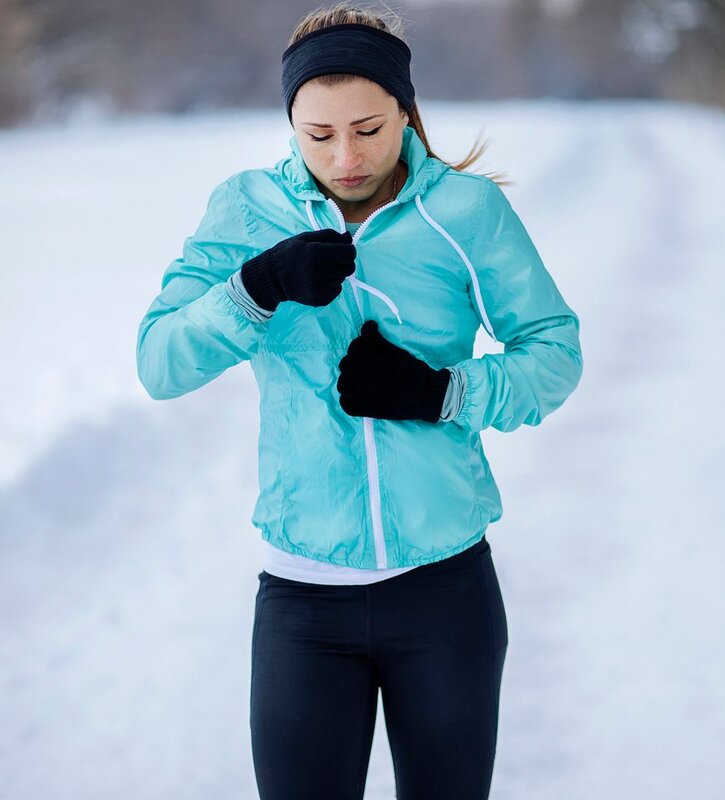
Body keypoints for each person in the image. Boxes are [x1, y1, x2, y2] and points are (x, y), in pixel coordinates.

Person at [134, 3, 583, 798]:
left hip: (445, 595)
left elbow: (554, 353)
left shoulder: (465, 214)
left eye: (369, 130)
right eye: (319, 135)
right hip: (303, 605)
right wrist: (255, 287)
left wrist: (442, 392)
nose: (344, 157)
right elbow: (160, 362)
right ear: (291, 124)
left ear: (405, 112)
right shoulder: (246, 212)